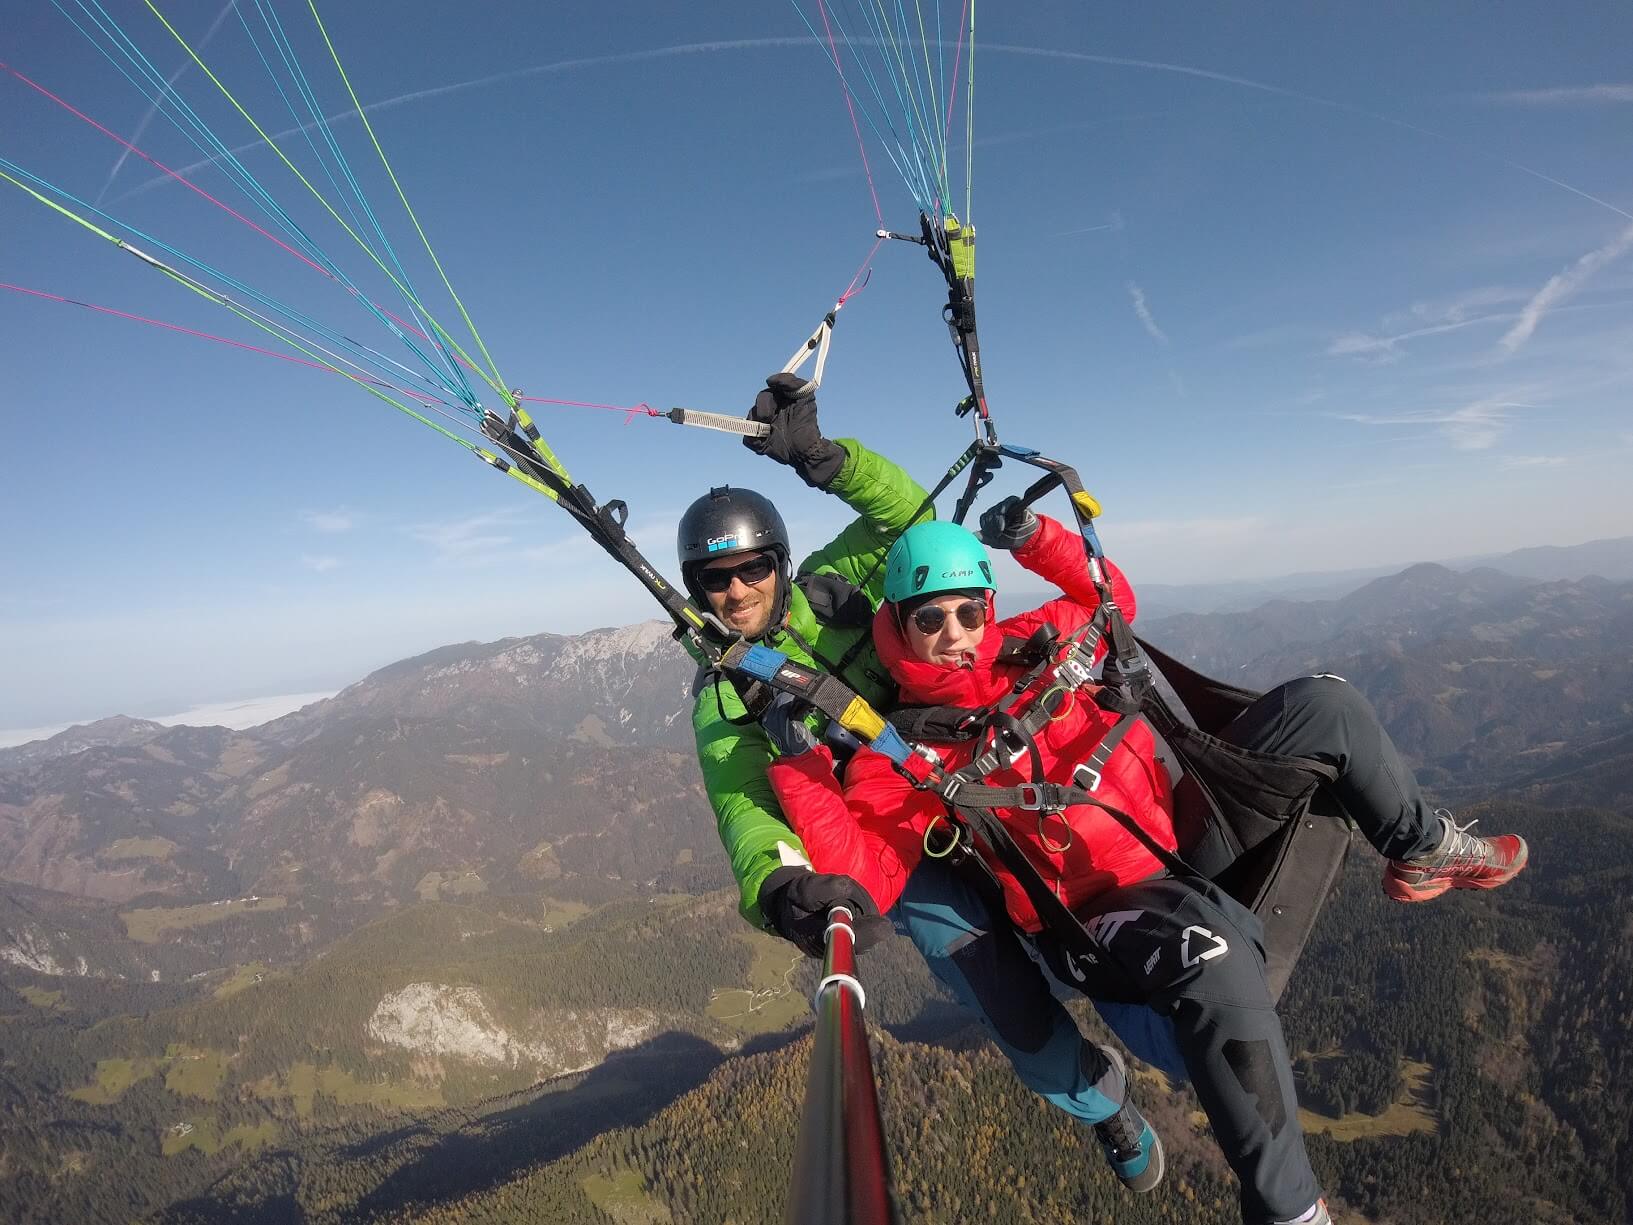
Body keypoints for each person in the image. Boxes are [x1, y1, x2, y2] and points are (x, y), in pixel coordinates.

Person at [763, 504, 1529, 1225]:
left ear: (990, 608)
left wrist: (1036, 537)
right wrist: (799, 764)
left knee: (1323, 705)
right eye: (930, 617)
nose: (956, 633)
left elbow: (1110, 597)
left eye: (970, 610)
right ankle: (1291, 1209)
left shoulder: (1036, 641)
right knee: (1215, 958)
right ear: (898, 621)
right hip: (1106, 911)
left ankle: (1420, 848)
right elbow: (864, 874)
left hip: (1180, 838)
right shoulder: (900, 756)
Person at [680, 375, 1177, 1190]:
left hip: (976, 759)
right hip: (888, 835)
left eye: (750, 567)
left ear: (778, 561)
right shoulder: (727, 697)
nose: (735, 590)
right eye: (715, 579)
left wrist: (823, 459)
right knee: (995, 985)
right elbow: (743, 805)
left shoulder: (828, 590)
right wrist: (775, 886)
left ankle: (1198, 1009)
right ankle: (1101, 1101)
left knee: (1095, 881)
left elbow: (909, 517)